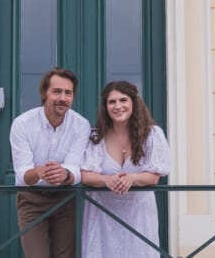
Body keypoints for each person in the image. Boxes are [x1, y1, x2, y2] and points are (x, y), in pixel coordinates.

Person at [79, 81, 171, 256]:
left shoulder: (152, 135)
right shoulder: (96, 136)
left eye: (123, 100)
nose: (117, 106)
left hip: (138, 214)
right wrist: (107, 180)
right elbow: (84, 175)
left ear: (133, 103)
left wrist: (132, 178)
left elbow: (154, 177)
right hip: (102, 215)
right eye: (111, 102)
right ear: (105, 107)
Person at [9, 67, 91, 258]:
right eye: (57, 91)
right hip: (31, 199)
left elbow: (75, 168)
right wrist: (39, 172)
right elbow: (22, 175)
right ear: (44, 93)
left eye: (68, 93)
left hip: (66, 198)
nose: (63, 98)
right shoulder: (22, 124)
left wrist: (65, 174)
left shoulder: (81, 125)